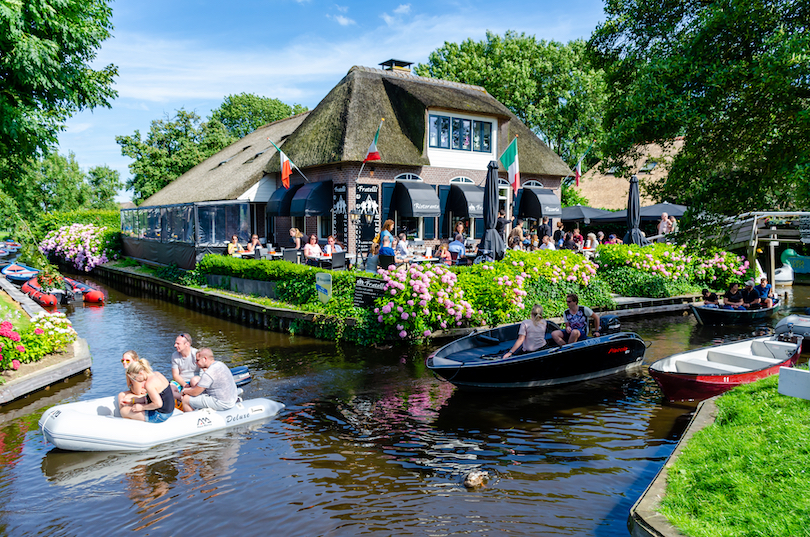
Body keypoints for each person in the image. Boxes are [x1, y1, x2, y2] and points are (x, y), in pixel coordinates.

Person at [181, 348, 238, 412]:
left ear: (205, 359)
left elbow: (195, 393)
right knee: (195, 382)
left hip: (222, 403)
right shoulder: (220, 364)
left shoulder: (209, 373)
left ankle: (194, 420)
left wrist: (184, 391)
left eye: (197, 360)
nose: (196, 363)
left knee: (185, 399)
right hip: (232, 399)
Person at [120, 358, 176, 423]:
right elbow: (153, 398)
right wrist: (132, 401)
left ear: (140, 373)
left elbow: (158, 404)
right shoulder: (157, 374)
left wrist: (141, 407)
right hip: (169, 410)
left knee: (124, 411)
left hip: (160, 415)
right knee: (131, 406)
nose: (136, 380)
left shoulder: (149, 384)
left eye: (135, 378)